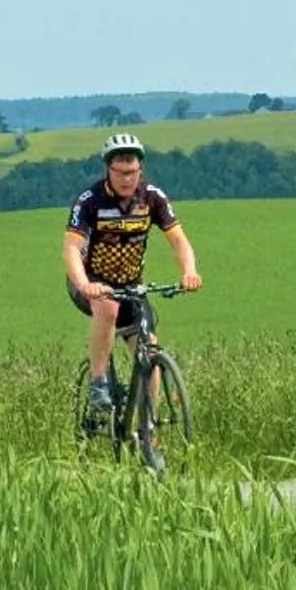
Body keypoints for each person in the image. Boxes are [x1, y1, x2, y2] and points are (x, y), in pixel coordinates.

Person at [64, 133, 201, 411]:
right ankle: (98, 382)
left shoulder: (152, 197)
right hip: (91, 281)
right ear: (108, 170)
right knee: (108, 308)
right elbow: (70, 248)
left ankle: (148, 428)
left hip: (130, 285)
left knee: (149, 347)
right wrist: (83, 284)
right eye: (122, 173)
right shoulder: (90, 201)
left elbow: (178, 240)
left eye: (134, 172)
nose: (128, 179)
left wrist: (189, 271)